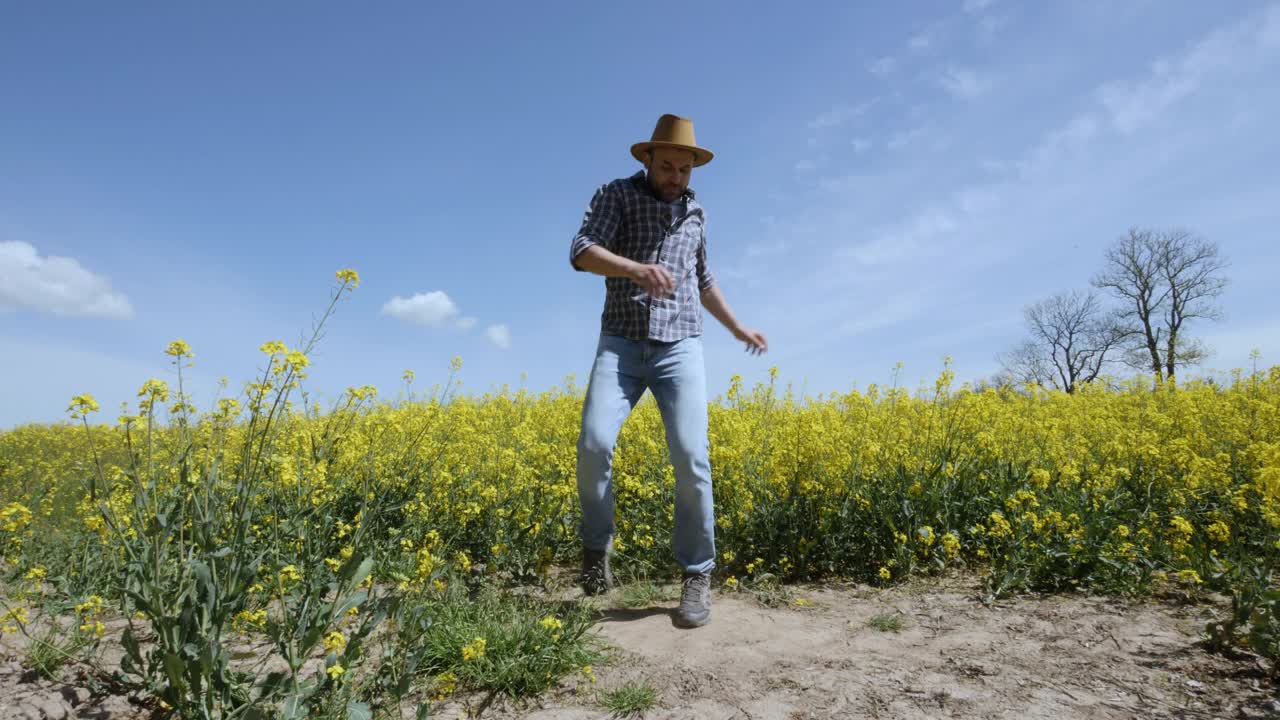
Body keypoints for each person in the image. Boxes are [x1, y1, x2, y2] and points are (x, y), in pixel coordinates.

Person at [568, 113, 768, 628]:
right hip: (621, 342)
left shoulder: (697, 213)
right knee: (593, 445)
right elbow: (582, 250)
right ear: (648, 159)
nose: (676, 176)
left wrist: (737, 327)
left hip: (681, 346)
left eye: (685, 169)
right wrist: (635, 268)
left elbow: (703, 280)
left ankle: (696, 575)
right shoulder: (616, 194)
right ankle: (596, 552)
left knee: (691, 457)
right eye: (669, 166)